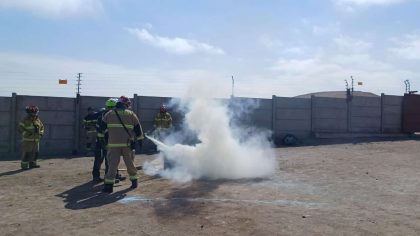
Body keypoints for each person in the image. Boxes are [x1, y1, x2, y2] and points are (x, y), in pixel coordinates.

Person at [100, 96, 144, 193]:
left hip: (113, 144)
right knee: (130, 163)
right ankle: (134, 182)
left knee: (112, 165)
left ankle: (109, 187)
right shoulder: (131, 114)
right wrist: (140, 142)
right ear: (125, 104)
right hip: (127, 144)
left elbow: (101, 129)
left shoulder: (109, 114)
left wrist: (103, 141)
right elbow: (138, 130)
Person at [18, 105, 44, 169]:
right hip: (27, 140)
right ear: (29, 113)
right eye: (33, 113)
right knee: (27, 153)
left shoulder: (38, 120)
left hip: (36, 140)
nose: (34, 114)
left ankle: (33, 164)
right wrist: (27, 134)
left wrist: (40, 134)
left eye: (36, 112)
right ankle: (24, 166)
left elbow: (42, 127)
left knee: (35, 153)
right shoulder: (24, 120)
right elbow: (20, 128)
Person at [153, 104, 173, 169]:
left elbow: (170, 124)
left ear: (165, 109)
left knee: (166, 145)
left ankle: (166, 158)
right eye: (161, 109)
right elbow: (155, 123)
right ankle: (161, 155)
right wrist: (156, 129)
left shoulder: (168, 115)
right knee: (160, 146)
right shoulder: (158, 115)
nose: (162, 110)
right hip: (159, 133)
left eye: (163, 109)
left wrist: (167, 130)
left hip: (166, 133)